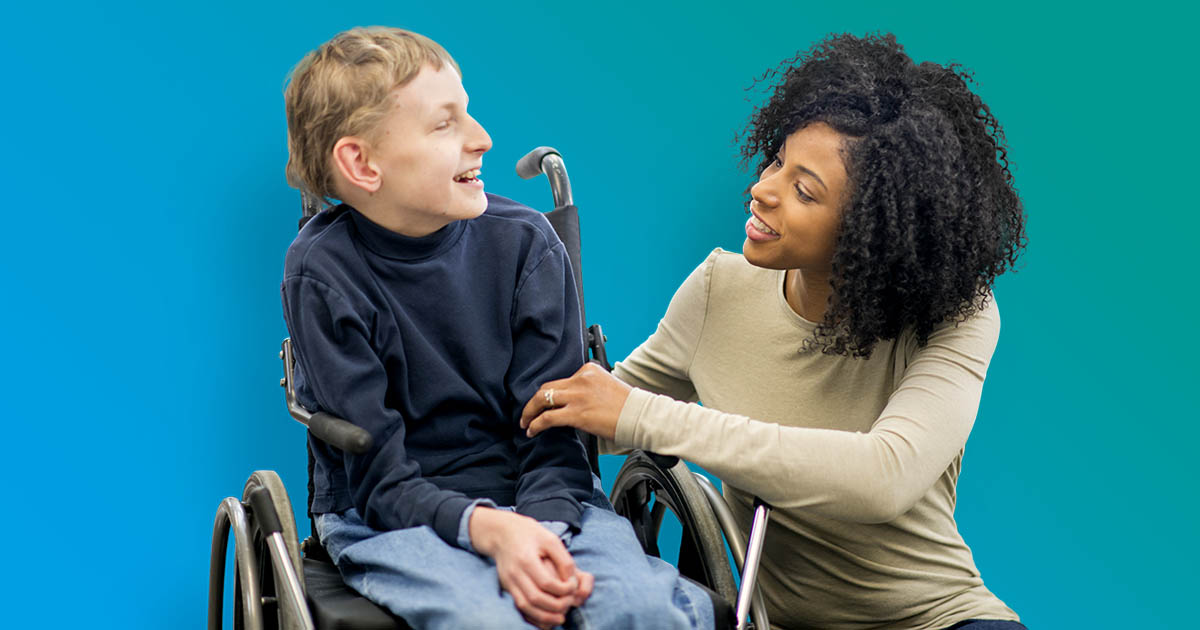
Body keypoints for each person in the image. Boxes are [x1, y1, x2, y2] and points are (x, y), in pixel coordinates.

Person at [521, 32, 1027, 630]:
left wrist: (642, 415)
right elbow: (594, 418)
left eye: (804, 191)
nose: (761, 190)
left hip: (940, 618)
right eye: (777, 162)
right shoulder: (717, 290)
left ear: (875, 230)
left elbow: (883, 477)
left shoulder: (956, 314)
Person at [281, 27, 714, 630]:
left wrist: (535, 534)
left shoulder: (526, 245)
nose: (482, 139)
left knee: (645, 611)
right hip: (387, 514)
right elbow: (379, 481)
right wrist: (490, 530)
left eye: (470, 113)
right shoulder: (323, 273)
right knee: (489, 621)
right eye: (444, 124)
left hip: (546, 497)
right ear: (361, 162)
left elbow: (556, 440)